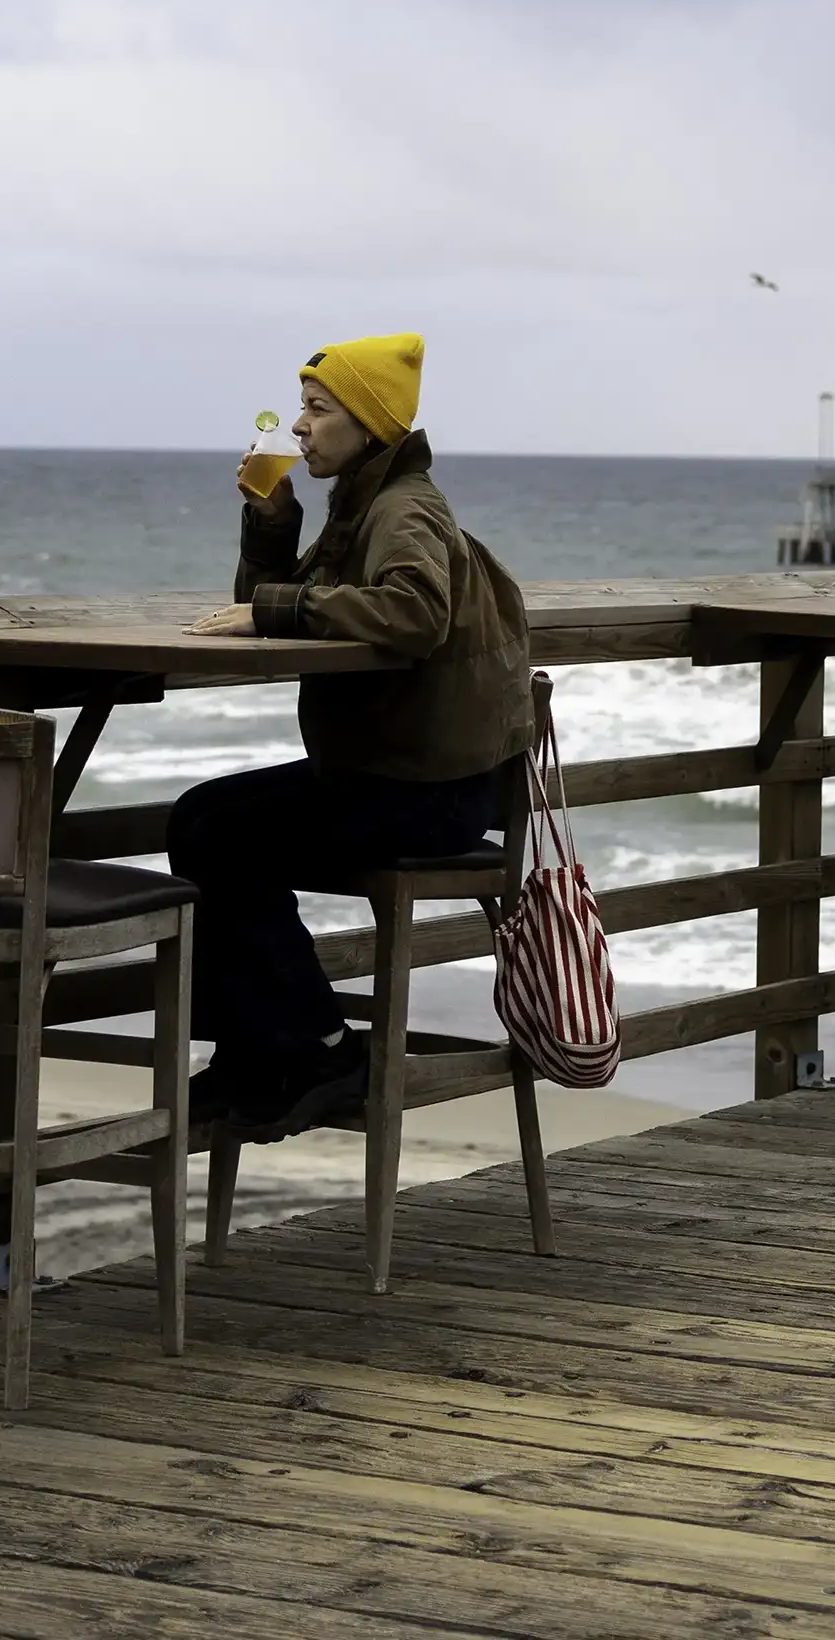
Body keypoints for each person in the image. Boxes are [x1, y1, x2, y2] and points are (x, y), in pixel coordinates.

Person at [166, 333, 532, 1136]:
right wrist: (272, 522)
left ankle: (318, 1051)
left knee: (216, 835)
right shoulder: (362, 506)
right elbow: (277, 604)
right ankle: (265, 1052)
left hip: (426, 795)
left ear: (367, 424)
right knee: (204, 823)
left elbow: (414, 612)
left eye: (318, 409)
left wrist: (276, 608)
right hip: (400, 778)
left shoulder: (403, 509)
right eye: (301, 407)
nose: (299, 426)